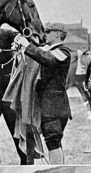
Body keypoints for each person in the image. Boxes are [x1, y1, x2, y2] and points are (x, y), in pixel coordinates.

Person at [13, 21, 72, 164]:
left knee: (53, 142)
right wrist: (21, 50)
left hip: (54, 107)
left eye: (48, 32)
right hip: (49, 107)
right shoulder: (50, 50)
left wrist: (27, 45)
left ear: (58, 35)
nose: (45, 34)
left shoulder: (62, 51)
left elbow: (47, 59)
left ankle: (55, 170)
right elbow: (40, 55)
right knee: (52, 141)